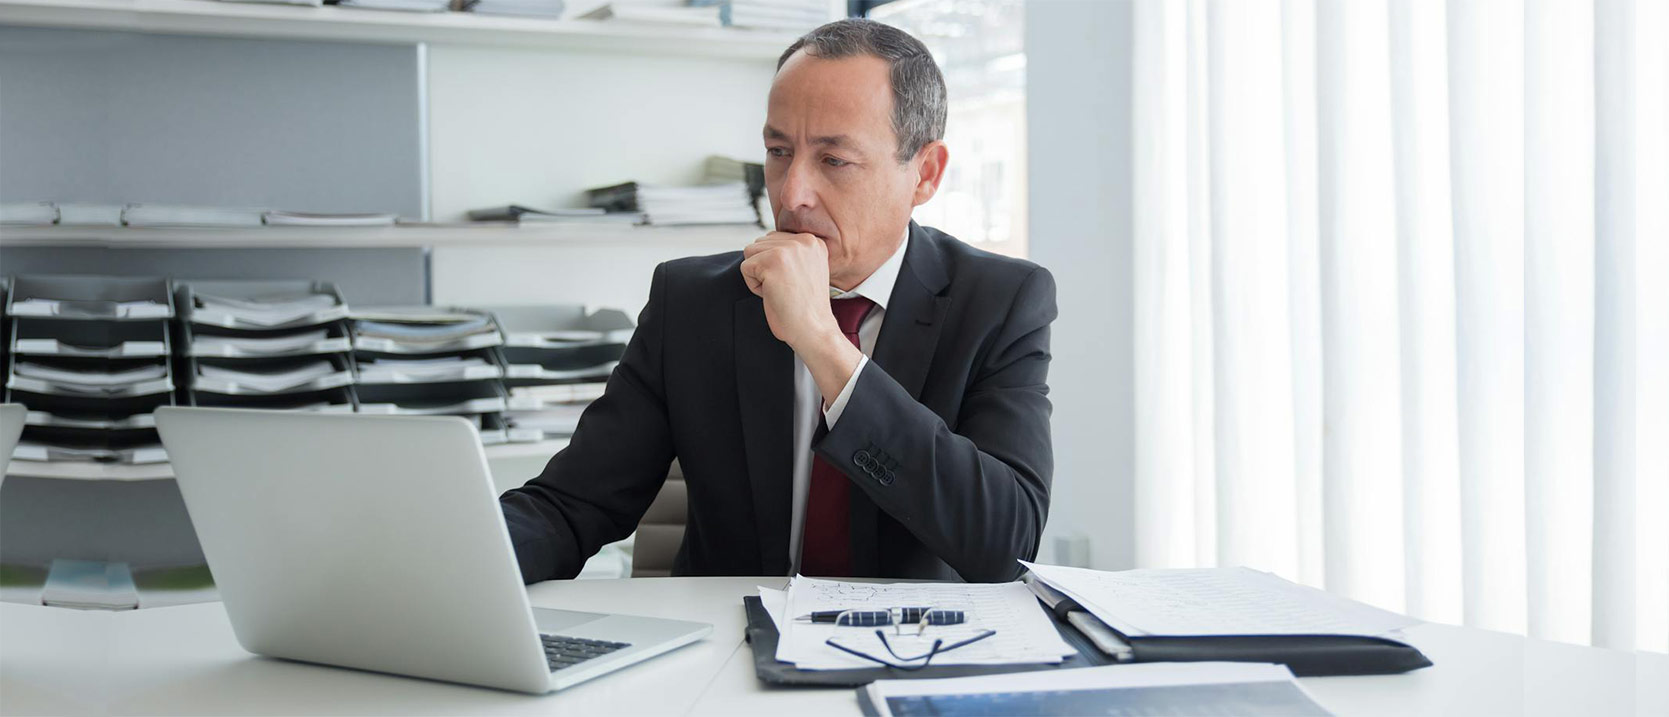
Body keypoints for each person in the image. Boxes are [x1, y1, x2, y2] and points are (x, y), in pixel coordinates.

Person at [500, 18, 1057, 583]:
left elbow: (1005, 543)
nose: (792, 194)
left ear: (925, 174)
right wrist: (463, 557)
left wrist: (823, 344)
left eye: (834, 160)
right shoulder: (691, 303)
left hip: (913, 634)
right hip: (728, 631)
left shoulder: (1000, 302)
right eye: (778, 151)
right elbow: (570, 507)